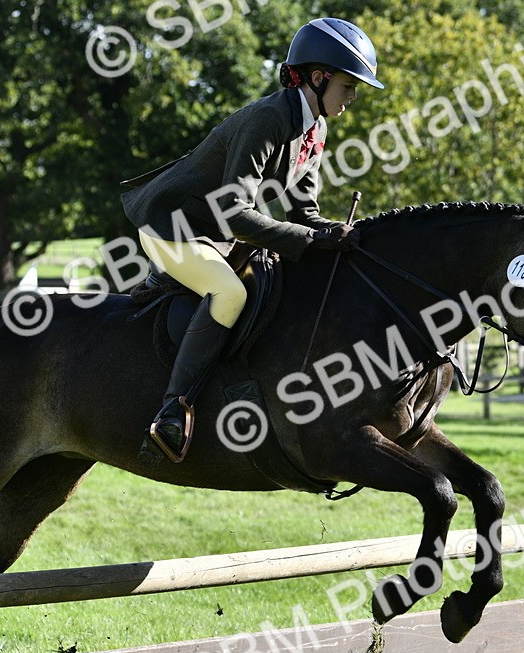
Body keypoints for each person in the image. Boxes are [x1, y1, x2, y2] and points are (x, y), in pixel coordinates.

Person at [120, 18, 384, 462]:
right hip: (174, 228)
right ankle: (171, 411)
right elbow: (235, 213)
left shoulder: (314, 130)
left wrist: (345, 236)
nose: (353, 96)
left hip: (219, 236)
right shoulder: (267, 119)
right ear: (319, 78)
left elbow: (305, 213)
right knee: (230, 292)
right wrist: (308, 237)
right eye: (349, 85)